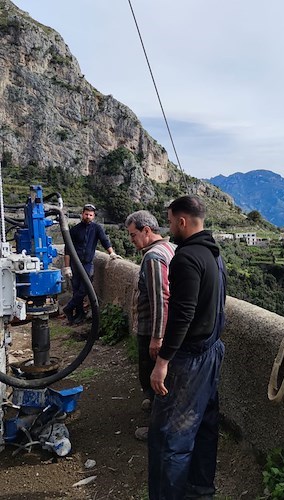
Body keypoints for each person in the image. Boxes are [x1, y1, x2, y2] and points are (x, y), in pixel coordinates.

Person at [149, 195, 226, 500]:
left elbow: (183, 314)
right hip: (212, 351)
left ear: (182, 221)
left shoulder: (185, 258)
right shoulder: (214, 254)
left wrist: (163, 360)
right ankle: (201, 491)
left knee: (170, 436)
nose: (168, 227)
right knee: (206, 428)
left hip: (191, 358)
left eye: (169, 221)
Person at [124, 210, 176, 441]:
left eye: (133, 235)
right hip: (156, 328)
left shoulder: (154, 257)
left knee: (154, 376)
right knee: (154, 376)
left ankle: (159, 427)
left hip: (152, 329)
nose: (131, 240)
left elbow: (161, 298)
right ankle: (156, 410)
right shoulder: (168, 248)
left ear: (147, 230)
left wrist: (157, 337)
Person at [62, 203, 121, 324]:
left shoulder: (97, 228)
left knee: (84, 289)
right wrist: (67, 267)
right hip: (75, 264)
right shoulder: (74, 230)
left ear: (93, 216)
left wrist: (112, 253)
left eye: (90, 215)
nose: (88, 216)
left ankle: (68, 308)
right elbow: (67, 249)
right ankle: (79, 315)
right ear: (82, 214)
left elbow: (105, 240)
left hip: (87, 264)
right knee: (76, 289)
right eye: (86, 214)